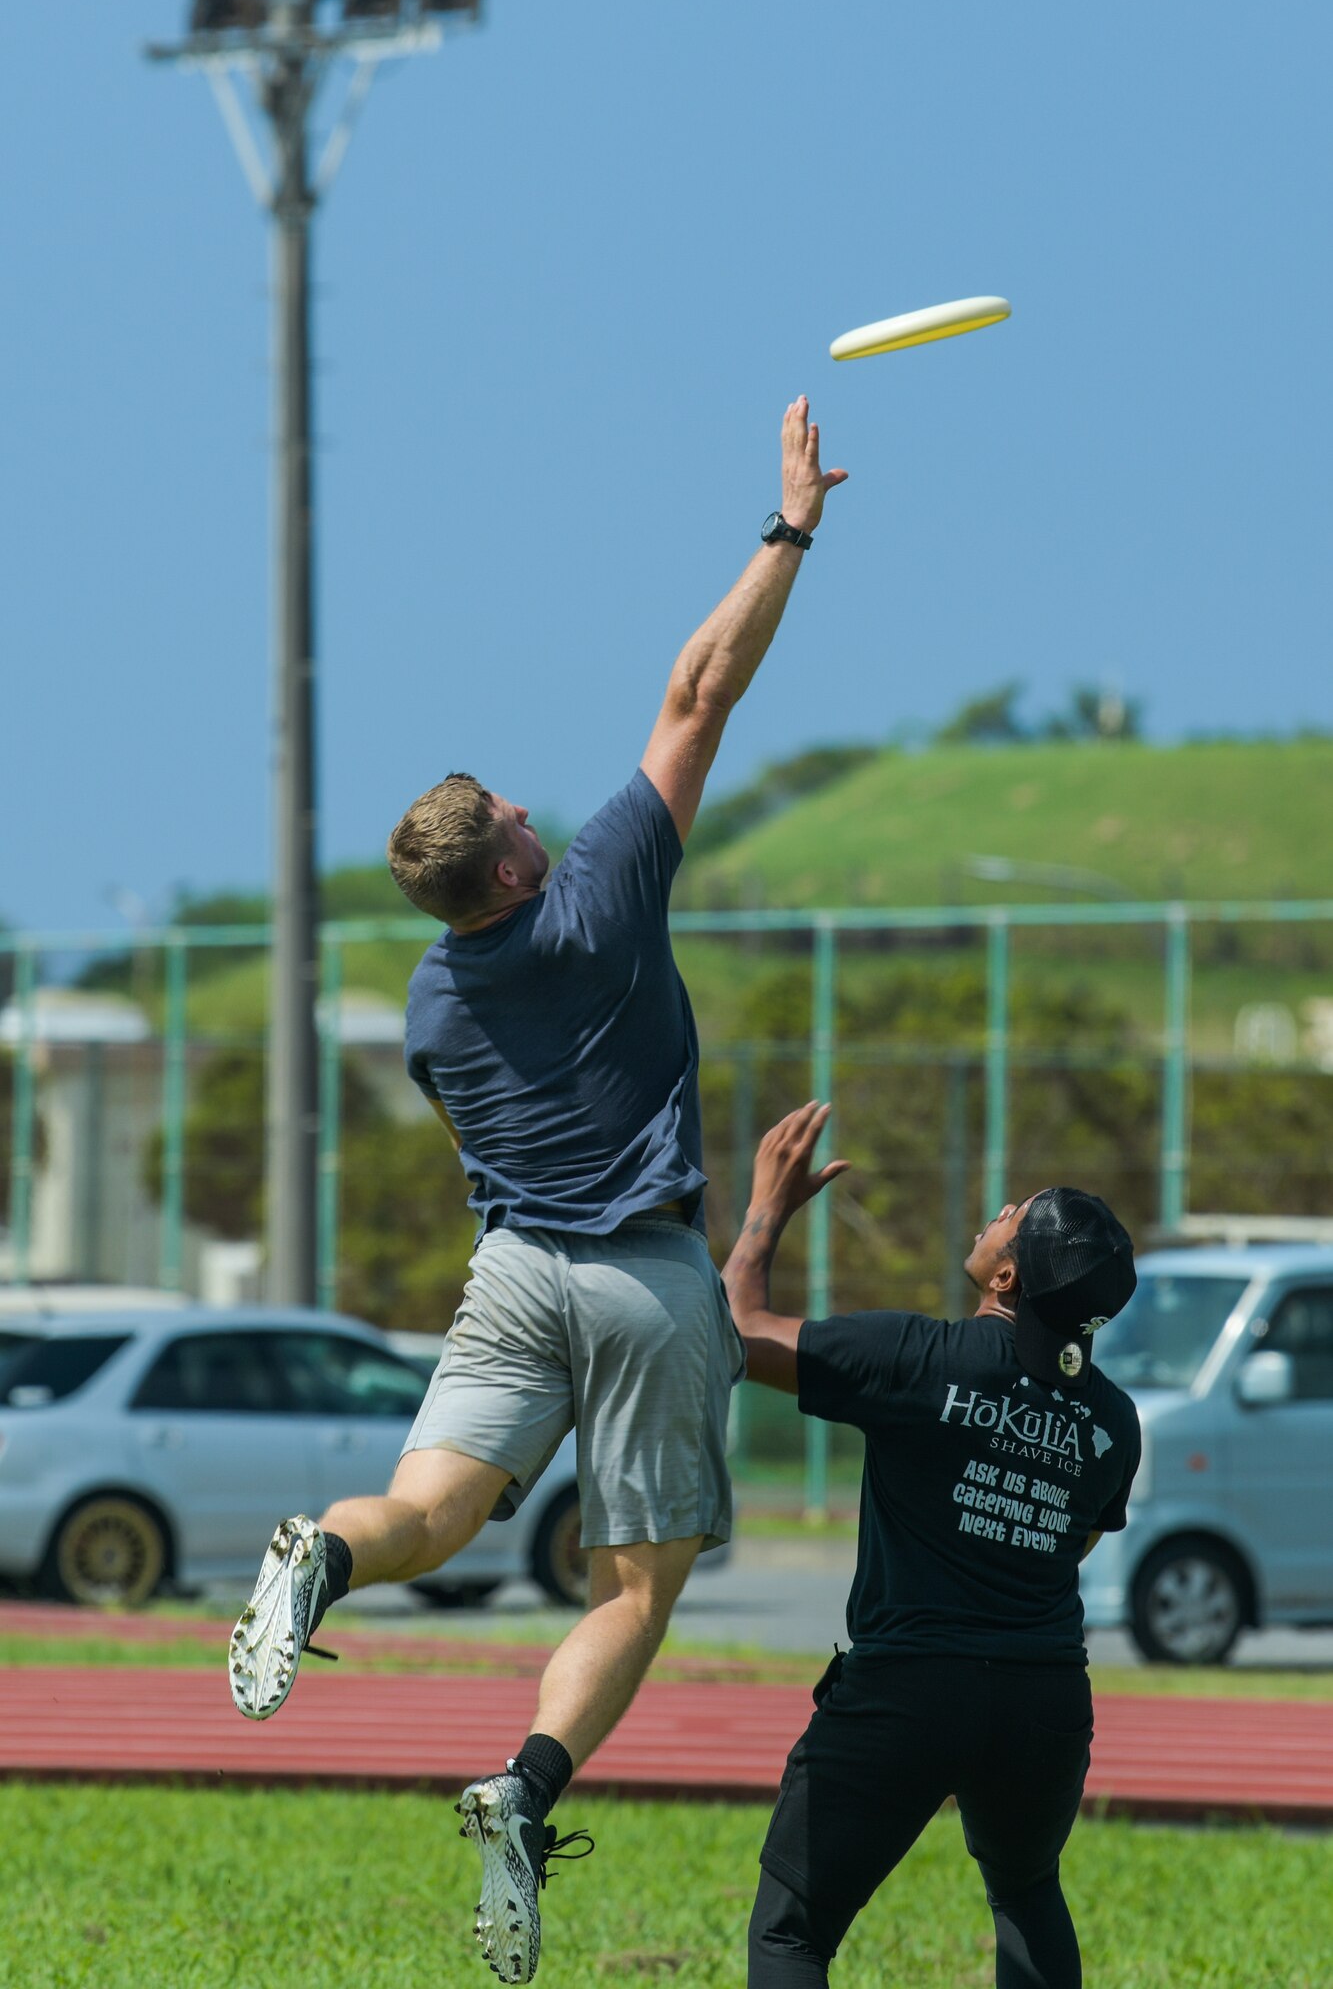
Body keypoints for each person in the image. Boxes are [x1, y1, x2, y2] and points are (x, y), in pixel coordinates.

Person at [226, 401, 848, 1985]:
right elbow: (698, 690)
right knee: (636, 1590)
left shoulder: (437, 1002)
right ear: (510, 867)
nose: (531, 810)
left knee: (430, 1515)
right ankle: (526, 1781)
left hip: (512, 1271)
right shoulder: (599, 898)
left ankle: (324, 1561)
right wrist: (787, 533)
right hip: (643, 1276)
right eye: (511, 813)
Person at [723, 1102, 1142, 1989]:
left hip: (904, 1689)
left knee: (793, 1933)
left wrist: (767, 1209)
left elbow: (736, 1329)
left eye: (1012, 1216)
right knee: (1026, 1891)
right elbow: (1058, 1549)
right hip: (1043, 1698)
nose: (996, 1212)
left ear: (1007, 1280)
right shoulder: (1112, 1421)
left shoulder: (920, 1358)